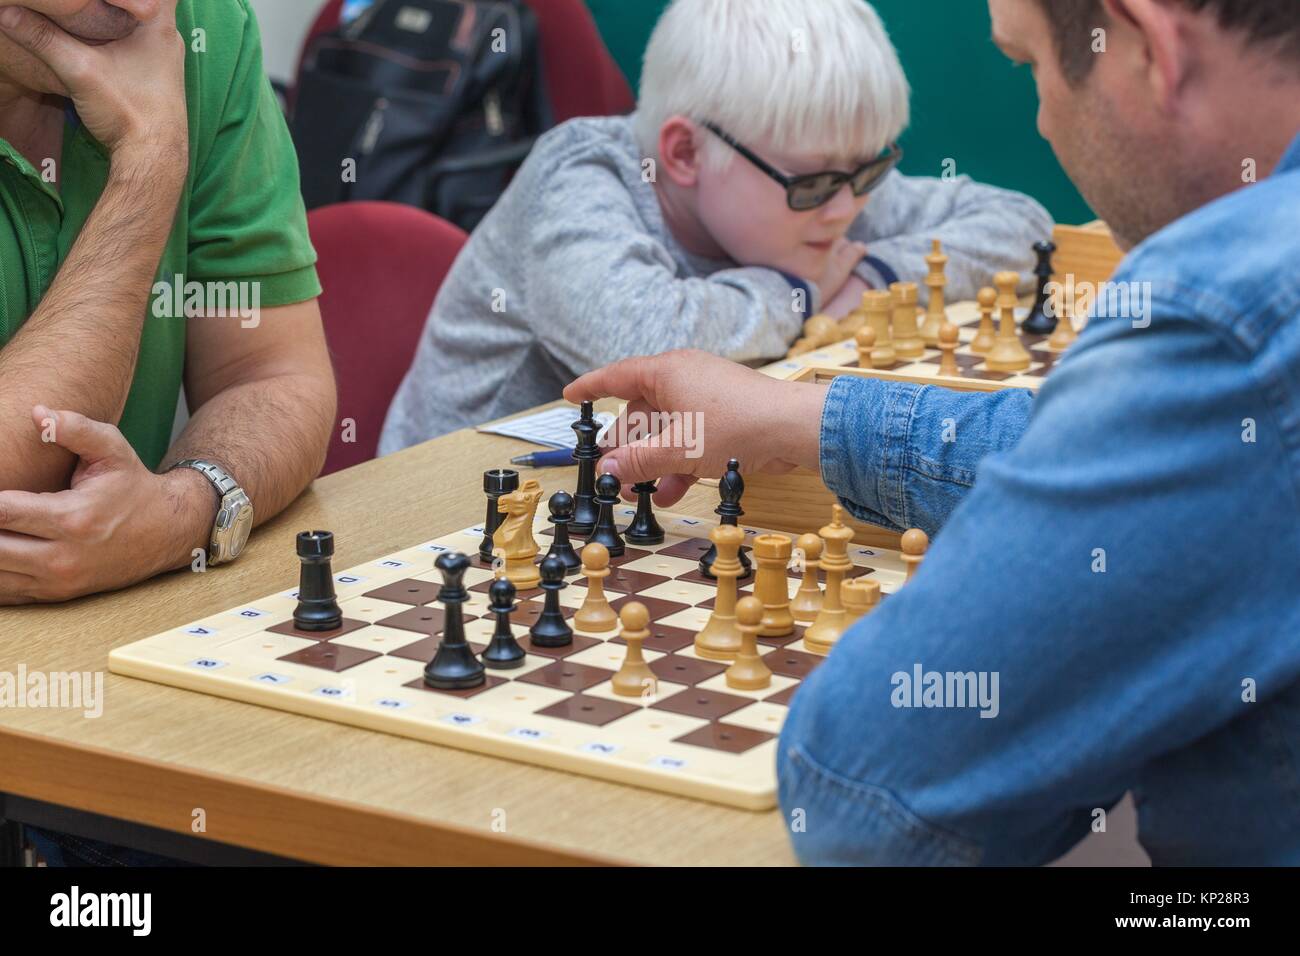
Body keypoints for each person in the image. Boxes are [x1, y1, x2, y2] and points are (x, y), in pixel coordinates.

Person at [564, 0, 1300, 865]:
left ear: (1145, 45)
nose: (1040, 121)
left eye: (1031, 70)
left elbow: (863, 793)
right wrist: (806, 417)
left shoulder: (1230, 315)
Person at [378, 0, 1052, 452]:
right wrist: (798, 290)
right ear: (684, 154)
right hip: (450, 517)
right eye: (817, 183)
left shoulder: (820, 182)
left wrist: (871, 276)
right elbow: (651, 345)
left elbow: (1023, 229)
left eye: (868, 173)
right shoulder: (580, 178)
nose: (847, 210)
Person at [0, 0, 336, 608]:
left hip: (118, 632)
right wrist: (151, 156)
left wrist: (181, 515)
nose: (146, 6)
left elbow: (276, 374)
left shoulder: (198, 25)